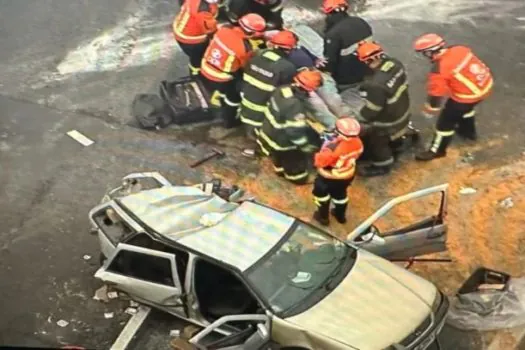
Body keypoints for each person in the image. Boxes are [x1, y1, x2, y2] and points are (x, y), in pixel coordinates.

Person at [413, 33, 494, 161]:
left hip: (467, 96)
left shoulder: (439, 69)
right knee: (466, 110)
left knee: (444, 125)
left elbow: (436, 94)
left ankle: (437, 151)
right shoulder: (459, 49)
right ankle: (468, 133)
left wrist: (430, 109)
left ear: (429, 52)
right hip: (485, 85)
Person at [354, 41, 411, 177]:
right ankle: (397, 144)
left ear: (367, 61)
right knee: (394, 134)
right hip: (403, 109)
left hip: (388, 121)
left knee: (377, 142)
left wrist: (359, 119)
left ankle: (382, 165)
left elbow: (373, 109)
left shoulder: (376, 85)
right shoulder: (395, 64)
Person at [200, 13, 266, 128]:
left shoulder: (224, 29)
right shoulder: (243, 48)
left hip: (206, 65)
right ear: (253, 33)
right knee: (234, 95)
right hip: (221, 77)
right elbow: (245, 66)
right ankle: (229, 120)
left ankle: (219, 94)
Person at [257, 69, 323, 184]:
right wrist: (304, 145)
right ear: (309, 89)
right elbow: (294, 131)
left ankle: (280, 171)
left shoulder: (282, 90)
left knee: (278, 157)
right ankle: (298, 179)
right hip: (283, 142)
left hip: (268, 132)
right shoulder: (295, 105)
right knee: (293, 161)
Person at [240, 30, 299, 157]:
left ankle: (250, 145)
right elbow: (285, 91)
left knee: (249, 123)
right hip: (264, 105)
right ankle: (259, 149)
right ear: (288, 50)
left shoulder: (258, 55)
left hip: (248, 97)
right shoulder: (287, 67)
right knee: (264, 128)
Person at [312, 117, 363, 226]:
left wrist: (323, 148)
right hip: (346, 175)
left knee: (321, 196)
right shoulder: (358, 142)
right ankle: (340, 216)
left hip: (329, 175)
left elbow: (320, 162)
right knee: (340, 195)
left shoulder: (332, 148)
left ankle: (323, 217)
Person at [321, 0, 373, 89]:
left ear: (329, 14)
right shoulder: (360, 21)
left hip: (347, 79)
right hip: (368, 69)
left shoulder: (333, 34)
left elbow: (330, 62)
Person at [173, 0, 220, 76]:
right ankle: (196, 74)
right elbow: (209, 29)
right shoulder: (203, 10)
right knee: (198, 58)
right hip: (191, 39)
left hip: (181, 27)